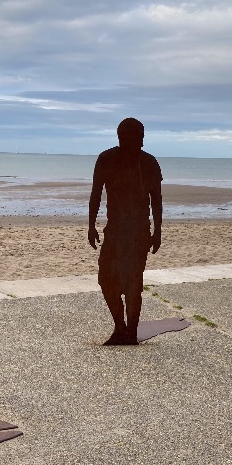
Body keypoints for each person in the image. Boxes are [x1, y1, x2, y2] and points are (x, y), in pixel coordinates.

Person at [88, 118, 163, 345]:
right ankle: (120, 327)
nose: (133, 141)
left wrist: (157, 231)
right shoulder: (107, 159)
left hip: (139, 231)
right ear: (120, 137)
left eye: (136, 137)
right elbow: (96, 194)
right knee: (106, 278)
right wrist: (91, 225)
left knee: (133, 282)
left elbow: (156, 199)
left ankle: (130, 331)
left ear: (142, 139)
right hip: (114, 230)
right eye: (127, 136)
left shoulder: (148, 162)